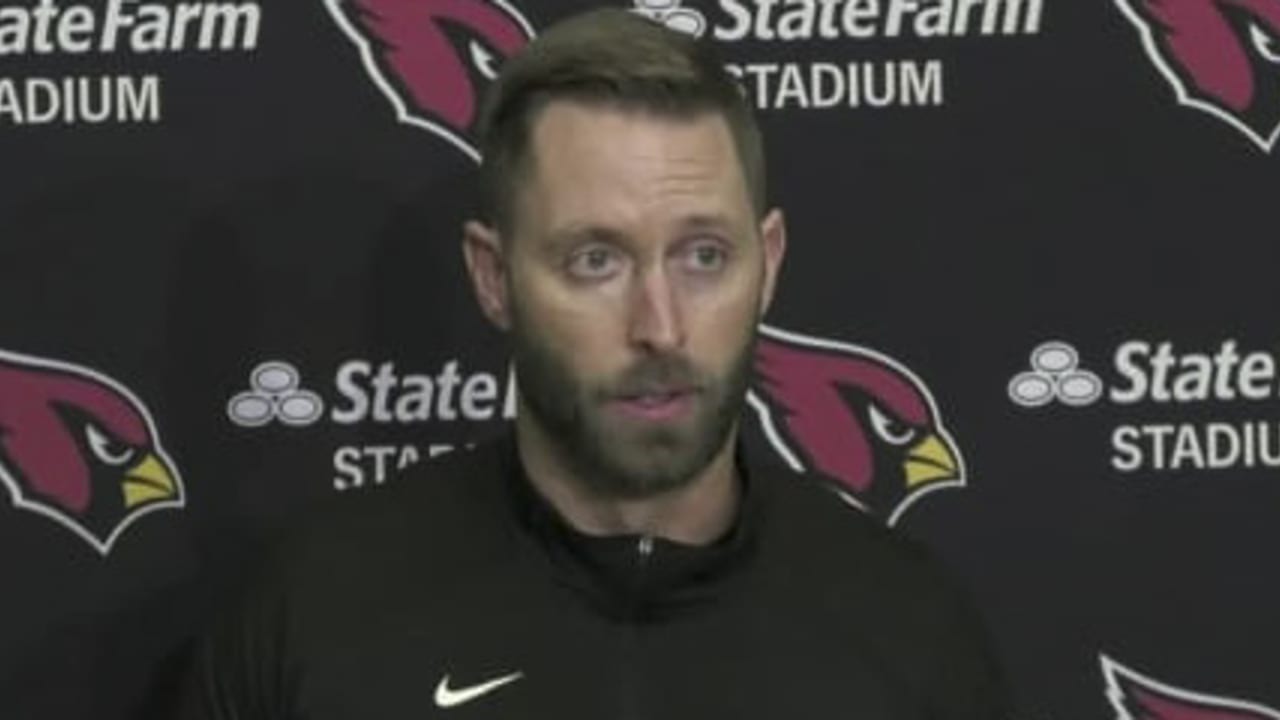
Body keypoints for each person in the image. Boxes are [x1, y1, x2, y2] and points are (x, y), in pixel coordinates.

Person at [180, 8, 1008, 718]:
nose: (660, 327)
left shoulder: (907, 633)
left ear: (771, 263)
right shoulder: (317, 613)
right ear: (493, 278)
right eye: (595, 261)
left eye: (704, 257)